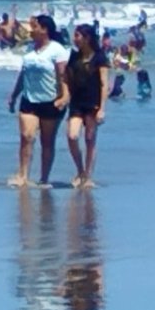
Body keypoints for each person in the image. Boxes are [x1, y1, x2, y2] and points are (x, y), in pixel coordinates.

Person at [5, 15, 70, 188]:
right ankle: (23, 175)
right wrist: (14, 95)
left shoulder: (57, 50)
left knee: (47, 141)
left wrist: (64, 97)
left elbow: (63, 76)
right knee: (27, 136)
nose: (31, 30)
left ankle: (44, 178)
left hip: (50, 101)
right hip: (29, 100)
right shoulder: (29, 50)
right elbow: (23, 74)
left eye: (34, 27)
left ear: (45, 30)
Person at [65, 25, 109, 189]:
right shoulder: (74, 56)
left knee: (90, 139)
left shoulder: (99, 57)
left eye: (77, 36)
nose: (74, 39)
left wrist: (102, 108)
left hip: (93, 103)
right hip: (76, 103)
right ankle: (80, 170)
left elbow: (104, 84)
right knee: (72, 136)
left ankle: (88, 176)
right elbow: (66, 79)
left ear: (87, 38)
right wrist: (64, 96)